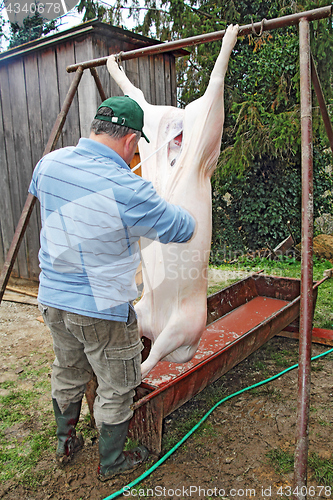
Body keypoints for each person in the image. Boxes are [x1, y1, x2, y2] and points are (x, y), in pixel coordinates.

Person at [29, 95, 196, 481]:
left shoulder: (50, 162)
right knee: (118, 384)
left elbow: (49, 196)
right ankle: (112, 462)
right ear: (131, 141)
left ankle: (65, 442)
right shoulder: (129, 188)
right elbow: (181, 228)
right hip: (101, 307)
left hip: (52, 298)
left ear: (96, 128)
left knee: (68, 369)